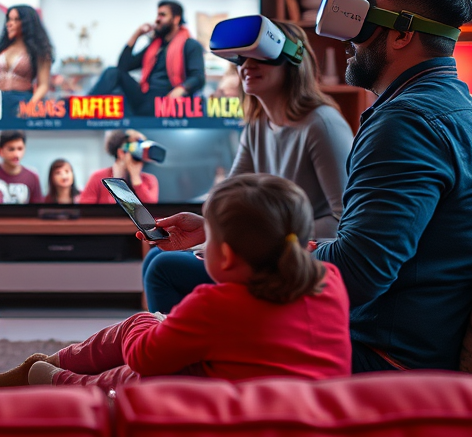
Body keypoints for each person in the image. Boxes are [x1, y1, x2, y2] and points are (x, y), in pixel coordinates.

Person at [0, 174, 350, 391]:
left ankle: (52, 375)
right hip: (299, 412)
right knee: (172, 348)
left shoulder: (216, 305)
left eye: (210, 237)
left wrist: (146, 322)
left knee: (148, 350)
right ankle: (44, 367)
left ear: (228, 256)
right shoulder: (329, 281)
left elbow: (144, 358)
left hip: (223, 416)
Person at [314, 0, 472, 371]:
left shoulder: (405, 124)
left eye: (364, 23)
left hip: (380, 356)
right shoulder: (465, 111)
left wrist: (251, 257)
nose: (351, 40)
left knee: (181, 330)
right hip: (412, 343)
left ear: (402, 35)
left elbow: (357, 273)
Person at [142, 22, 353, 313]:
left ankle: (177, 354)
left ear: (292, 62)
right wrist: (207, 229)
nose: (246, 66)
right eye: (241, 58)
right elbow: (227, 199)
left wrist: (254, 239)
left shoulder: (321, 124)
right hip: (266, 248)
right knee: (155, 258)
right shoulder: (258, 125)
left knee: (164, 268)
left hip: (301, 259)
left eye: (261, 56)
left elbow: (344, 221)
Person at [88, 0, 205, 117]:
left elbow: (198, 78)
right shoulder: (154, 46)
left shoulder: (191, 45)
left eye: (163, 15)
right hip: (146, 98)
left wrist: (182, 89)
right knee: (112, 72)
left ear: (176, 19)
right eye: (157, 15)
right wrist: (137, 35)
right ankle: (82, 109)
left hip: (168, 102)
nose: (157, 19)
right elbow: (123, 67)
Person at [0, 4, 53, 119]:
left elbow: (43, 85)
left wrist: (29, 106)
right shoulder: (2, 50)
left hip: (22, 100)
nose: (9, 24)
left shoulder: (39, 51)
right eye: (9, 19)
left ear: (26, 23)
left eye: (16, 20)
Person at [78, 129, 158, 204]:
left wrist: (136, 179)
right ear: (121, 153)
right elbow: (84, 212)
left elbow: (152, 212)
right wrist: (116, 182)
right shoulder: (98, 178)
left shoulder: (149, 180)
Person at [0, 130, 43, 204]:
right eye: (11, 149)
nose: (16, 154)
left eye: (20, 149)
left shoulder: (32, 177)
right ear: (0, 151)